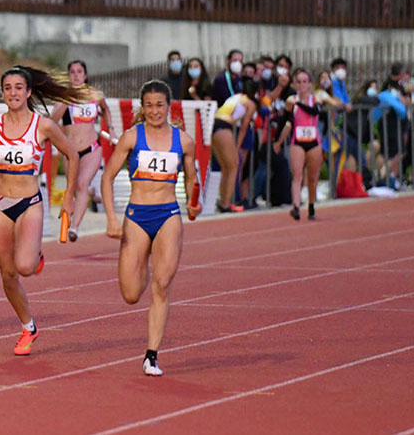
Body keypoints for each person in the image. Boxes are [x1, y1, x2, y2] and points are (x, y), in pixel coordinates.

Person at [0, 66, 80, 356]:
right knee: (7, 274)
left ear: (28, 92)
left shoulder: (42, 126)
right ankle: (28, 327)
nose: (13, 93)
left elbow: (72, 154)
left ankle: (35, 255)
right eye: (8, 88)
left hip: (29, 202)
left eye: (18, 87)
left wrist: (68, 197)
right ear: (2, 93)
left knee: (25, 267)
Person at [101, 79, 201, 377]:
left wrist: (192, 203)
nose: (155, 111)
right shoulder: (132, 138)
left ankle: (151, 355)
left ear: (168, 107)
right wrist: (111, 218)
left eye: (160, 105)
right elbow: (107, 178)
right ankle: (141, 258)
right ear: (141, 109)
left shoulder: (183, 141)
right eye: (149, 106)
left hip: (168, 214)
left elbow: (192, 178)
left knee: (162, 284)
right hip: (136, 216)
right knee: (131, 293)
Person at [49, 60, 113, 242]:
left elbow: (105, 109)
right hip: (71, 151)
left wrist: (112, 128)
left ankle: (75, 227)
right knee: (73, 189)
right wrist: (65, 102)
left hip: (92, 147)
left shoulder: (95, 94)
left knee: (81, 185)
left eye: (79, 71)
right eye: (72, 72)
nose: (76, 75)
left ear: (85, 75)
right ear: (68, 76)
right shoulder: (63, 97)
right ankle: (92, 192)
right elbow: (52, 121)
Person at [275, 68, 343, 220]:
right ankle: (296, 207)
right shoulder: (290, 100)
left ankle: (311, 205)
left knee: (313, 177)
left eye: (305, 82)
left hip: (313, 141)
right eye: (299, 82)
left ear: (310, 83)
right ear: (294, 84)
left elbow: (315, 112)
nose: (302, 85)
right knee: (297, 175)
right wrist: (278, 140)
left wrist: (301, 103)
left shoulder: (316, 98)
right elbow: (286, 122)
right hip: (297, 141)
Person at [211, 78, 258, 213]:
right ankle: (226, 203)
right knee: (234, 165)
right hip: (224, 126)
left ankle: (224, 201)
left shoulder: (236, 97)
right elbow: (244, 127)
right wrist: (237, 147)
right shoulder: (250, 103)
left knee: (226, 166)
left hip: (214, 125)